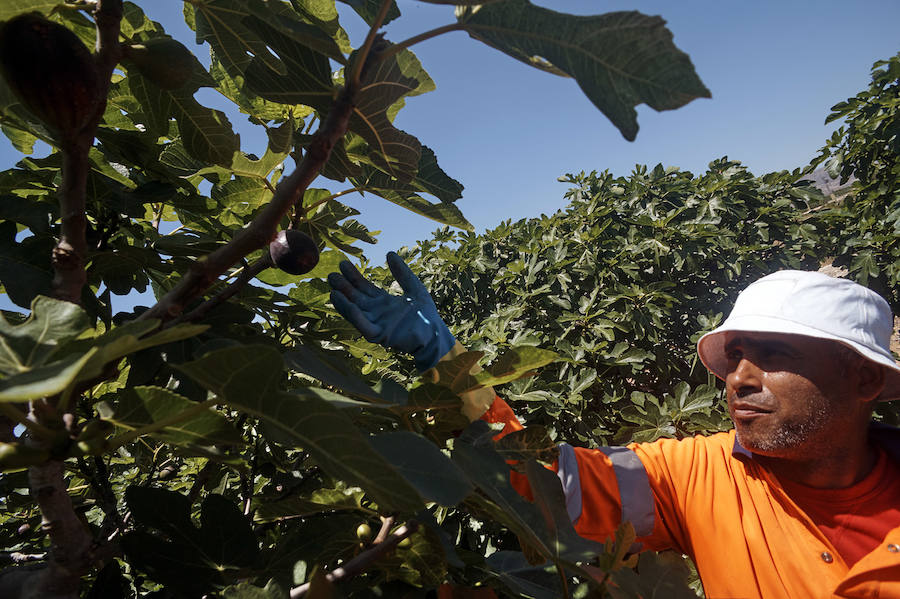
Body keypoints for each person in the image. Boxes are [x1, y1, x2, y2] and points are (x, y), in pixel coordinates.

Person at [328, 253, 900, 598]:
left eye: (774, 354)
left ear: (864, 380)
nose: (738, 378)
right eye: (736, 356)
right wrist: (447, 364)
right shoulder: (694, 476)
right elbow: (545, 482)